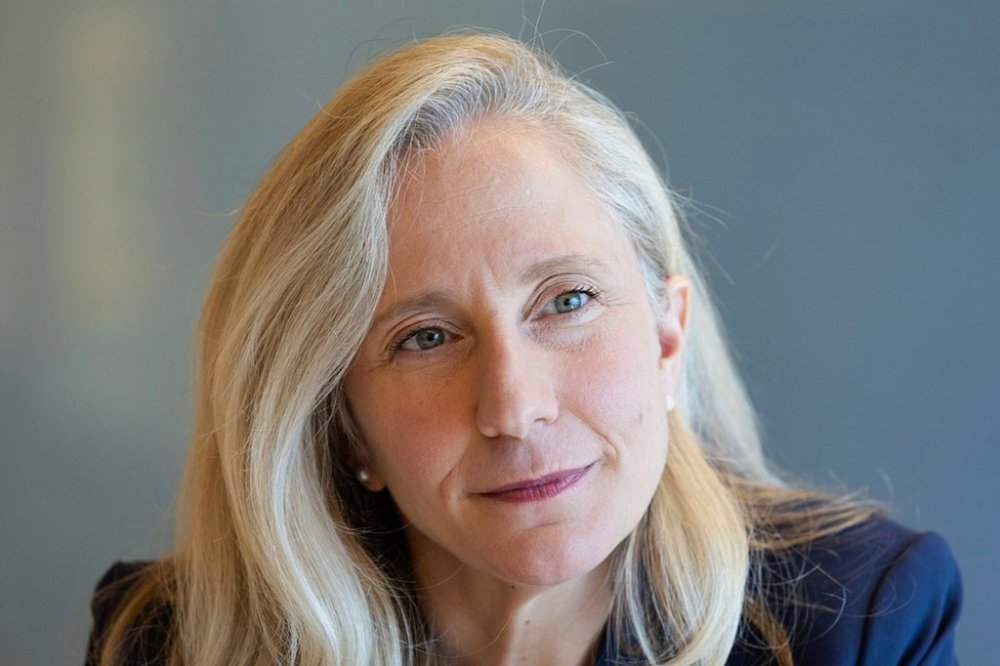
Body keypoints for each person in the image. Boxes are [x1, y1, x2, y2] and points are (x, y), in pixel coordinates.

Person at [87, 32, 961, 665]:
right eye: (424, 337)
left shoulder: (860, 622)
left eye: (567, 301)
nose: (513, 404)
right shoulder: (170, 642)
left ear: (668, 337)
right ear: (344, 427)